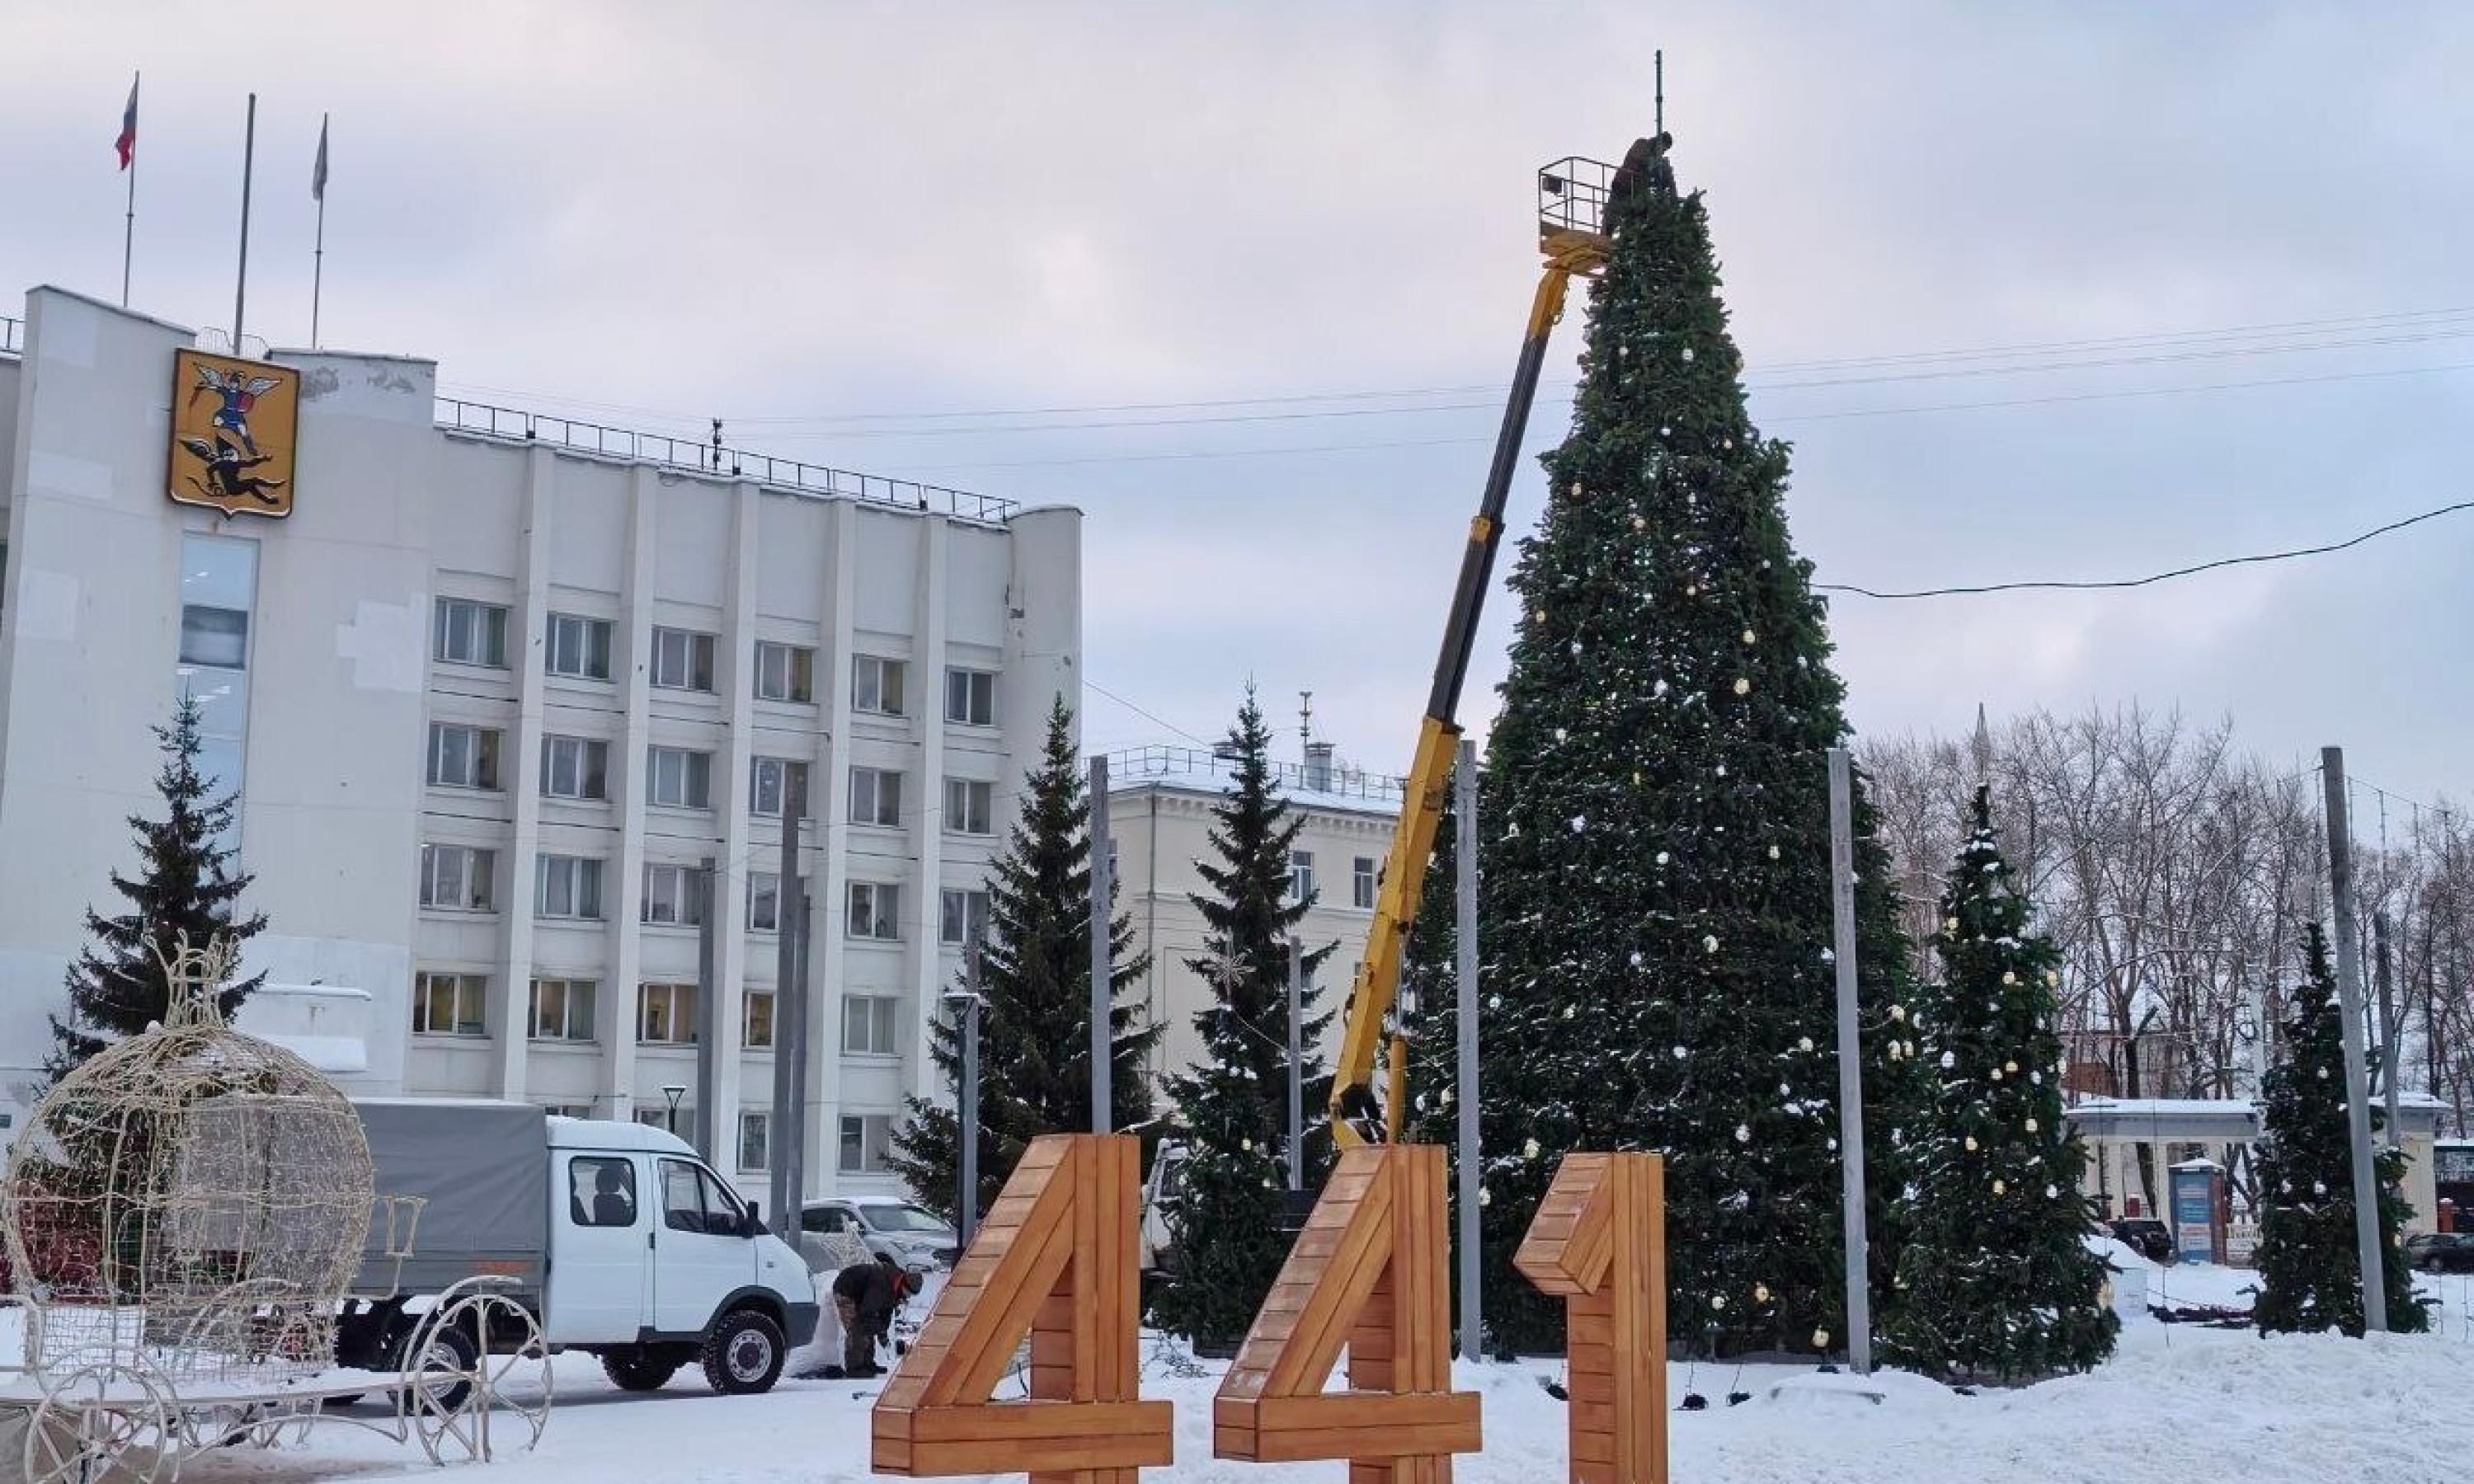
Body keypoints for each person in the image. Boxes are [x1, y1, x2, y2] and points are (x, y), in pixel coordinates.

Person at [830, 1254, 914, 1378]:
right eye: (908, 1292)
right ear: (903, 1284)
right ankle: (854, 1368)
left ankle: (868, 1364)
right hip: (846, 1290)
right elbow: (867, 1311)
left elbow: (886, 1313)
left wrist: (882, 1332)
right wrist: (880, 1330)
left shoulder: (895, 1288)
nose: (908, 1296)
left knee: (870, 1327)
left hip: (863, 1295)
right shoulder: (882, 1285)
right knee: (857, 1328)